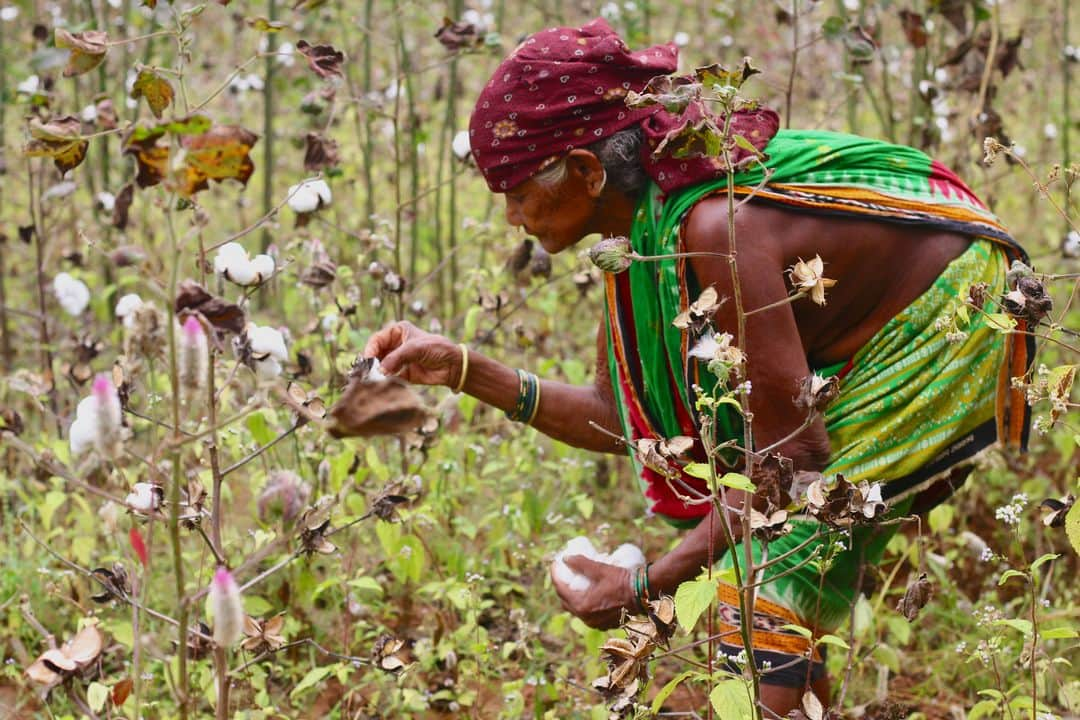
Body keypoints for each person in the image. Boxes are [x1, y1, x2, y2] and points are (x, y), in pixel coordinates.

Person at [362, 18, 1031, 715]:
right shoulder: (640, 237)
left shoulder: (714, 229)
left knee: (766, 583)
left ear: (589, 174)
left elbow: (787, 461)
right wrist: (464, 367)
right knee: (769, 566)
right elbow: (616, 417)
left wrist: (649, 585)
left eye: (520, 192)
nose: (511, 218)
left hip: (954, 320)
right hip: (872, 336)